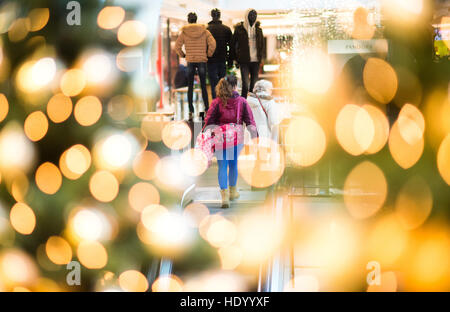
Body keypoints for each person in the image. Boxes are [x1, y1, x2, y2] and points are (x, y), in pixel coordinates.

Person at [204, 75, 257, 208]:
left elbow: (209, 121)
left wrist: (207, 134)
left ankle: (224, 197)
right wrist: (255, 136)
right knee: (233, 165)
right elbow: (250, 121)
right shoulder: (242, 102)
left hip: (220, 137)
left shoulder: (216, 102)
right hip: (236, 137)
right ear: (234, 86)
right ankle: (233, 192)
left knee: (222, 166)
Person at [175, 12, 216, 120]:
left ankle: (191, 111)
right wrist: (208, 54)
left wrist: (182, 55)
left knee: (190, 87)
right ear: (196, 19)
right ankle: (207, 108)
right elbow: (213, 43)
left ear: (188, 20)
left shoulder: (184, 32)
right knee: (203, 86)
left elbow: (177, 46)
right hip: (202, 60)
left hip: (190, 61)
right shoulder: (204, 31)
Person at [230, 9, 264, 99]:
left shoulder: (259, 30)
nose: (253, 17)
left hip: (256, 60)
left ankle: (252, 103)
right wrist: (235, 59)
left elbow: (261, 45)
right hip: (244, 60)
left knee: (254, 84)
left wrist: (260, 58)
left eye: (255, 15)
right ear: (246, 16)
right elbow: (233, 44)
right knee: (245, 84)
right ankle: (243, 103)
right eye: (251, 15)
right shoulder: (239, 30)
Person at [207, 8, 232, 100]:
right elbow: (231, 46)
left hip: (211, 59)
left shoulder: (207, 29)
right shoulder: (226, 29)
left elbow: (205, 45)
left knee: (214, 83)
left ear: (211, 15)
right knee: (222, 83)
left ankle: (215, 103)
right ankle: (223, 102)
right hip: (222, 59)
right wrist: (230, 59)